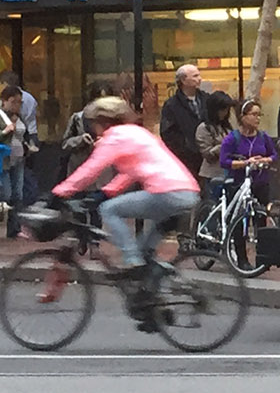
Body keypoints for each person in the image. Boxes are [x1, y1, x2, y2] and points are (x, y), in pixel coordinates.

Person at [50, 96, 200, 291]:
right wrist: (106, 191)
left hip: (166, 193)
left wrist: (60, 192)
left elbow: (92, 169)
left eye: (93, 123)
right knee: (146, 252)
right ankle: (151, 302)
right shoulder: (138, 133)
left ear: (102, 121)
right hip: (187, 192)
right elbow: (132, 171)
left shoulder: (114, 137)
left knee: (109, 210)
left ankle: (132, 261)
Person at [219, 101, 279, 210]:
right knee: (237, 216)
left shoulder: (263, 137)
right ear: (243, 117)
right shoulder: (232, 139)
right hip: (239, 184)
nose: (258, 118)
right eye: (254, 115)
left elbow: (274, 155)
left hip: (261, 184)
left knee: (262, 214)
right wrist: (246, 163)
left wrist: (266, 160)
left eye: (259, 115)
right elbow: (224, 161)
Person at [158, 63, 205, 177]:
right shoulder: (172, 105)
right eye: (195, 76)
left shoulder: (206, 99)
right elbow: (168, 133)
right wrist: (186, 148)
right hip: (185, 160)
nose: (199, 79)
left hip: (207, 157)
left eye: (199, 75)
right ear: (183, 81)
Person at [194, 90, 235, 203]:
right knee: (213, 204)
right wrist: (224, 146)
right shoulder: (204, 128)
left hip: (228, 172)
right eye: (222, 110)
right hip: (212, 174)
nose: (225, 113)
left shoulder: (226, 127)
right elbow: (207, 153)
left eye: (227, 110)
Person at [0, 84, 27, 238]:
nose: (17, 105)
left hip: (18, 158)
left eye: (19, 102)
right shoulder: (1, 116)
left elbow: (24, 133)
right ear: (4, 101)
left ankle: (14, 229)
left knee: (18, 194)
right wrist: (5, 132)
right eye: (13, 101)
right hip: (3, 159)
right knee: (6, 194)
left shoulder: (19, 117)